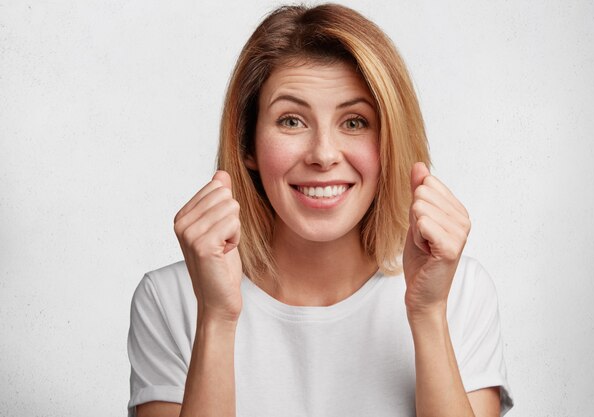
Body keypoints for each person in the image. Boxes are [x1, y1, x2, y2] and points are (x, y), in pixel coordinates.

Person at [127, 4, 513, 417]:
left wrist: (428, 313)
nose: (324, 155)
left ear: (390, 143)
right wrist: (216, 319)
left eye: (354, 122)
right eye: (291, 121)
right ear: (247, 144)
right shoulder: (170, 299)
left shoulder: (459, 291)